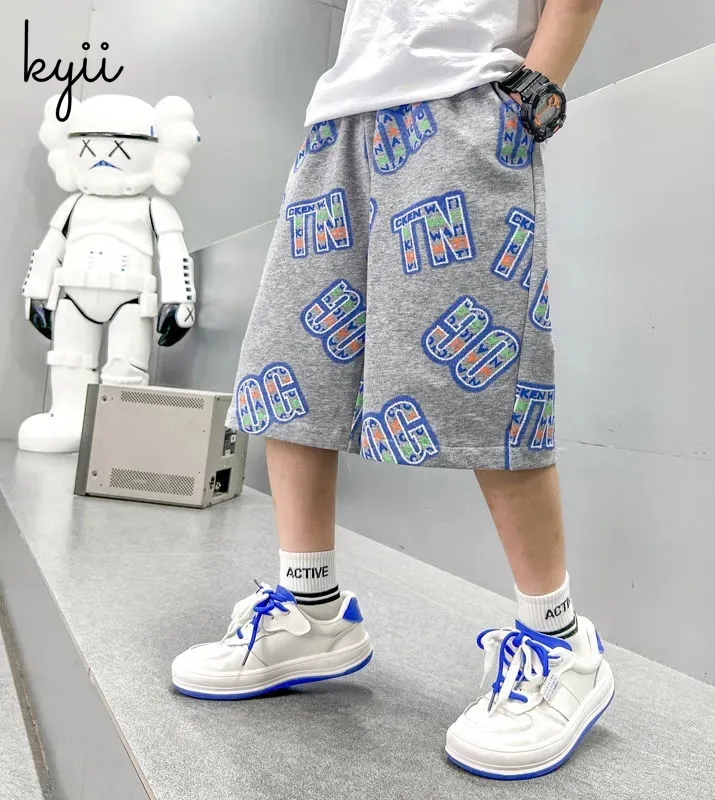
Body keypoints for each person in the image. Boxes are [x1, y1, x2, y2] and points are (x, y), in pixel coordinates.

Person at [172, 0, 610, 780]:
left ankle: (560, 643)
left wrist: (533, 92)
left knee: (485, 390)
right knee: (293, 370)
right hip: (341, 113)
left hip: (465, 103)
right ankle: (312, 610)